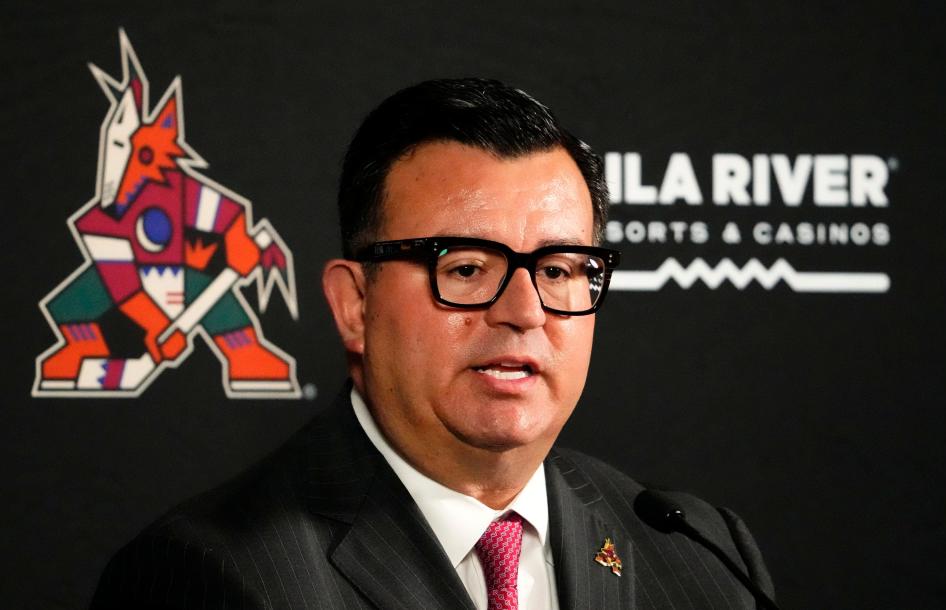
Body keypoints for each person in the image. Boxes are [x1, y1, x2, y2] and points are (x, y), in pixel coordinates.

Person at [91, 78, 775, 609]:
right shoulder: (210, 577)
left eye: (560, 270)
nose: (524, 311)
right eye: (467, 269)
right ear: (354, 305)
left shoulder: (700, 554)